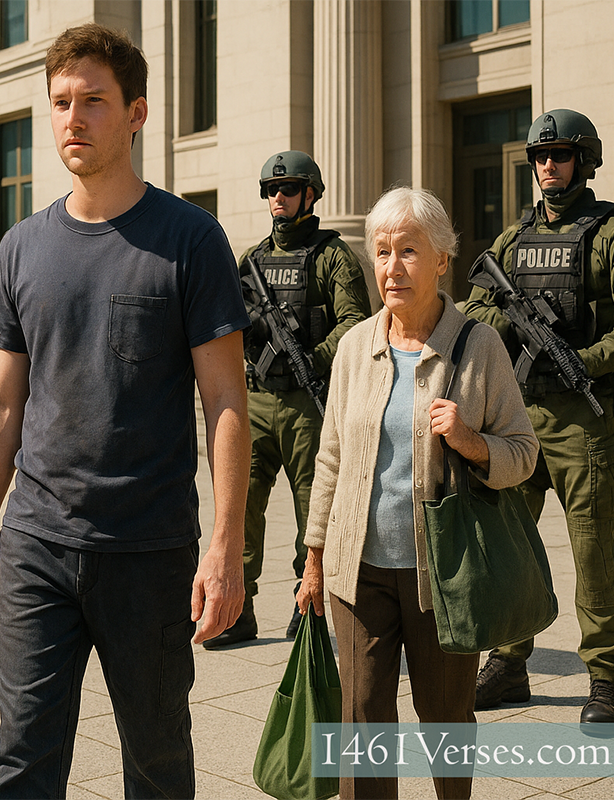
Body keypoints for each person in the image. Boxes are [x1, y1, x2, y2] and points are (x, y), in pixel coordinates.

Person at [0, 24, 251, 798]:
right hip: (36, 547)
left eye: (93, 101)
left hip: (148, 550)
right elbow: (0, 398)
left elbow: (226, 400)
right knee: (22, 759)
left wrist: (227, 548)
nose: (73, 119)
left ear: (136, 114)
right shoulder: (22, 246)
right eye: (60, 103)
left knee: (157, 760)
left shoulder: (190, 239)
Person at [297, 186, 538, 800]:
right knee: (363, 726)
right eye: (381, 252)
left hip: (446, 574)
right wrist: (315, 557)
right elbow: (330, 458)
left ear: (442, 260)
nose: (392, 267)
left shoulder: (478, 346)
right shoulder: (354, 347)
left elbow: (524, 453)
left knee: (447, 723)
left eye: (409, 250)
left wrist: (471, 441)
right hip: (360, 572)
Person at [464, 109, 614, 724]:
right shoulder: (512, 241)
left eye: (560, 155)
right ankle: (510, 662)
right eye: (541, 157)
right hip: (517, 414)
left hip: (582, 421)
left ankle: (603, 679)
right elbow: (474, 306)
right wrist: (515, 331)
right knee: (511, 546)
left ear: (585, 160)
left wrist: (584, 358)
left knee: (593, 550)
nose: (548, 166)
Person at [206, 150, 371, 649]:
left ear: (310, 195)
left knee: (313, 513)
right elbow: (224, 319)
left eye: (290, 189)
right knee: (240, 509)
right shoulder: (252, 261)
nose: (279, 197)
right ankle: (237, 608)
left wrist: (311, 359)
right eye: (273, 190)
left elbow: (354, 323)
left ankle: (312, 604)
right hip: (255, 402)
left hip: (306, 404)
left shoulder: (332, 256)